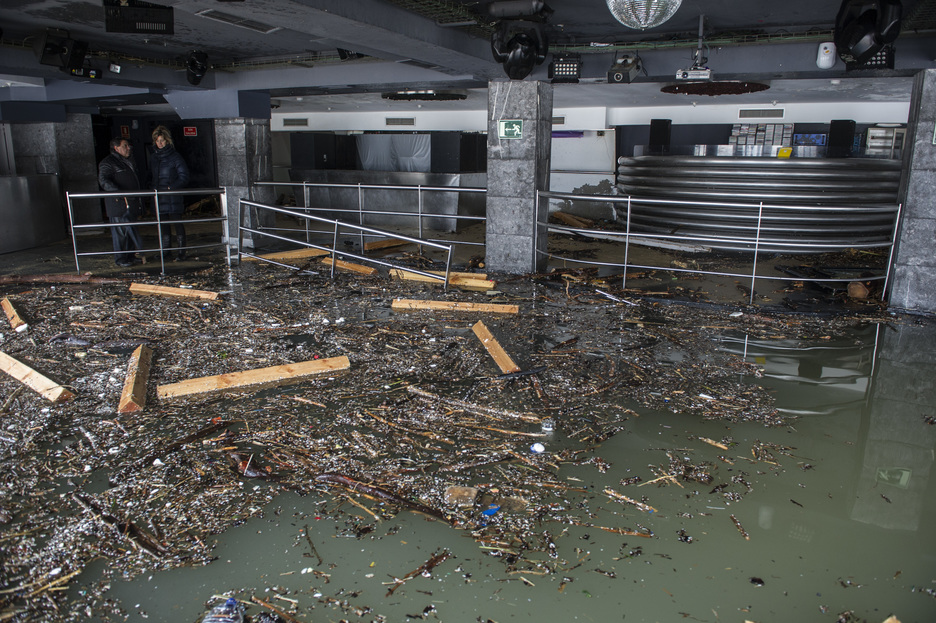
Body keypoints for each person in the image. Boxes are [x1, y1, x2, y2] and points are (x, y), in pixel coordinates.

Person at [98, 137, 143, 267]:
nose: (128, 148)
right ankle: (121, 258)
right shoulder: (108, 162)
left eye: (128, 146)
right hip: (118, 203)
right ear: (116, 148)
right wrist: (119, 192)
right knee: (120, 232)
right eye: (125, 146)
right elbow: (103, 180)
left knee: (129, 230)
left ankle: (130, 256)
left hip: (130, 201)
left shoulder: (128, 161)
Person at [149, 125, 190, 260]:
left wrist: (171, 187)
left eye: (162, 140)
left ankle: (181, 252)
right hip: (158, 196)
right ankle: (165, 252)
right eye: (157, 141)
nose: (160, 143)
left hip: (172, 196)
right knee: (163, 226)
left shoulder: (175, 157)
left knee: (177, 224)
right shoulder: (154, 158)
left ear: (167, 141)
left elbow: (184, 176)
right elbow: (152, 176)